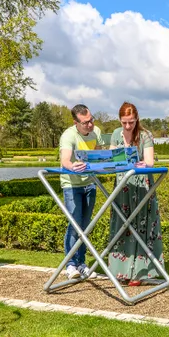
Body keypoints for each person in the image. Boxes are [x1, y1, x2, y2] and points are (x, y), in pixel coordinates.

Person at [107, 102, 163, 286]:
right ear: (120, 121)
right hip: (122, 184)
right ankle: (120, 270)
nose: (128, 126)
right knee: (121, 224)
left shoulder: (145, 135)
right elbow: (112, 157)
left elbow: (150, 162)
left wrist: (142, 164)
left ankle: (139, 272)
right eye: (124, 122)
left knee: (141, 225)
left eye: (131, 122)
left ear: (137, 119)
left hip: (141, 184)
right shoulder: (116, 134)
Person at [59, 104, 102, 280]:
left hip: (90, 183)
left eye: (91, 120)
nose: (90, 125)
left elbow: (100, 155)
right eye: (85, 123)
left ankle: (82, 263)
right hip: (71, 184)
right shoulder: (68, 135)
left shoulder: (96, 132)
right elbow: (65, 161)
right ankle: (70, 264)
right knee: (75, 223)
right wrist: (72, 166)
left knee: (85, 225)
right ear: (76, 122)